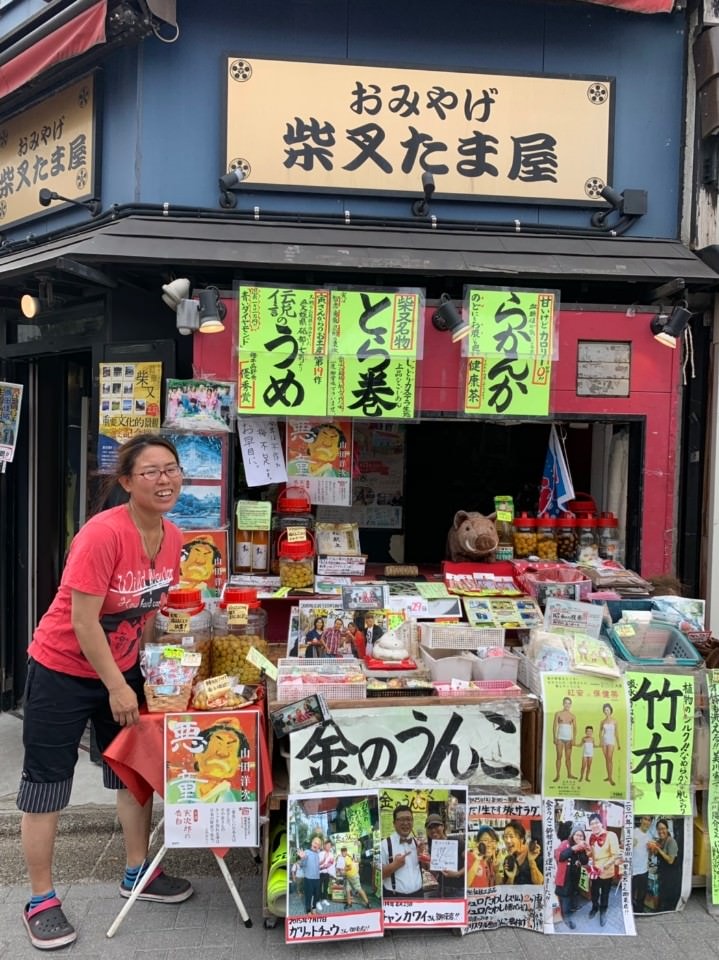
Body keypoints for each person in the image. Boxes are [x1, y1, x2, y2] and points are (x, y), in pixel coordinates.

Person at [16, 433, 193, 951]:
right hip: (63, 670)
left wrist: (168, 663)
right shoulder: (101, 534)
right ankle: (41, 900)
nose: (165, 480)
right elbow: (84, 621)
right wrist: (117, 687)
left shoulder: (174, 537)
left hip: (124, 669)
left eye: (172, 469)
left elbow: (150, 614)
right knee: (46, 784)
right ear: (126, 482)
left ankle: (137, 871)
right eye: (151, 472)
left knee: (129, 772)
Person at [166, 718, 248, 803]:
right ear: (198, 753)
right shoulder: (176, 787)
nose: (222, 753)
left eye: (230, 747)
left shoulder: (230, 799)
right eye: (218, 743)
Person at [381, 804, 424, 899]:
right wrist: (394, 865)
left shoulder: (418, 843)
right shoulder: (384, 845)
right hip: (395, 897)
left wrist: (422, 857)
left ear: (412, 822)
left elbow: (425, 868)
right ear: (394, 823)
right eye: (401, 819)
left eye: (409, 819)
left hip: (419, 895)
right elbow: (378, 876)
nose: (405, 823)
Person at [587, 812, 621, 927]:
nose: (594, 825)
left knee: (605, 894)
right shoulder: (591, 837)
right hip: (594, 872)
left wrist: (604, 866)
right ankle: (594, 907)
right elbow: (592, 854)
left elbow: (615, 855)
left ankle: (603, 911)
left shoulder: (611, 835)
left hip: (606, 871)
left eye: (596, 822)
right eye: (592, 824)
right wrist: (590, 858)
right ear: (590, 826)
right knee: (594, 892)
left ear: (601, 823)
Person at [554, 823, 589, 930]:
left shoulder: (581, 847)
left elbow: (584, 861)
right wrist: (574, 848)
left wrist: (583, 850)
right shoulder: (565, 843)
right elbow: (560, 856)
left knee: (573, 896)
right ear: (572, 835)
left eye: (581, 836)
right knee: (565, 899)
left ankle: (570, 911)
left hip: (574, 878)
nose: (579, 837)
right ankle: (567, 919)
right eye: (577, 835)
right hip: (564, 879)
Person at [424, 813, 466, 898]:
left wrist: (457, 873)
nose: (433, 830)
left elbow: (471, 862)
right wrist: (427, 863)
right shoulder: (433, 848)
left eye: (436, 826)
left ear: (443, 826)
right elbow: (436, 873)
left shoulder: (457, 842)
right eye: (430, 828)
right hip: (441, 890)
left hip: (459, 890)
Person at [648, 818, 681, 911]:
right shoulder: (659, 841)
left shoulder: (671, 841)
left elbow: (670, 860)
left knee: (667, 898)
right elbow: (653, 855)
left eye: (663, 828)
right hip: (662, 873)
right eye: (659, 829)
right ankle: (659, 908)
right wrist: (652, 848)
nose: (661, 831)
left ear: (667, 829)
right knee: (661, 894)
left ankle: (666, 911)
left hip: (671, 875)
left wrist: (659, 850)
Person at [501, 820, 544, 885]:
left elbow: (540, 883)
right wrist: (511, 878)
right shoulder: (508, 859)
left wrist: (531, 861)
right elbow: (507, 888)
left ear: (522, 839)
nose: (507, 841)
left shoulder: (535, 853)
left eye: (511, 836)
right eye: (505, 837)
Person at [552, 697, 577, 782]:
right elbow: (555, 726)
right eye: (566, 703)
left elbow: (575, 728)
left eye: (569, 703)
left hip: (569, 739)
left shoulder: (572, 716)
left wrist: (574, 739)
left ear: (570, 705)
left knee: (568, 758)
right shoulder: (558, 714)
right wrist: (554, 737)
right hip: (560, 738)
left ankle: (569, 774)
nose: (567, 705)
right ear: (563, 704)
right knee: (559, 757)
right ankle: (557, 775)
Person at [632, 815, 653, 913]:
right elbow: (622, 845)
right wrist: (630, 844)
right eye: (645, 819)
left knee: (642, 893)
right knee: (630, 893)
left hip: (644, 869)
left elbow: (650, 854)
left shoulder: (650, 836)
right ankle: (630, 911)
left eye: (649, 820)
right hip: (632, 870)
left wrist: (652, 849)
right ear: (641, 820)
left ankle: (639, 910)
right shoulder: (633, 832)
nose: (647, 822)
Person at [298, 836, 323, 914]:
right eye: (315, 842)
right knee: (308, 896)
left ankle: (314, 908)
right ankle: (308, 910)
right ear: (312, 843)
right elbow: (302, 865)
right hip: (308, 879)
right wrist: (302, 858)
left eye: (318, 844)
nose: (316, 845)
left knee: (317, 895)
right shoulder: (306, 852)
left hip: (317, 878)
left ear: (319, 847)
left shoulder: (318, 854)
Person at [599, 702, 620, 786]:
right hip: (604, 740)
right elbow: (600, 732)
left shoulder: (614, 721)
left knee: (609, 759)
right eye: (605, 710)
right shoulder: (602, 721)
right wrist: (600, 741)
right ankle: (608, 776)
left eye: (607, 710)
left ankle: (611, 778)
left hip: (611, 740)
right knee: (606, 760)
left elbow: (616, 733)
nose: (606, 711)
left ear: (610, 710)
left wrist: (618, 744)